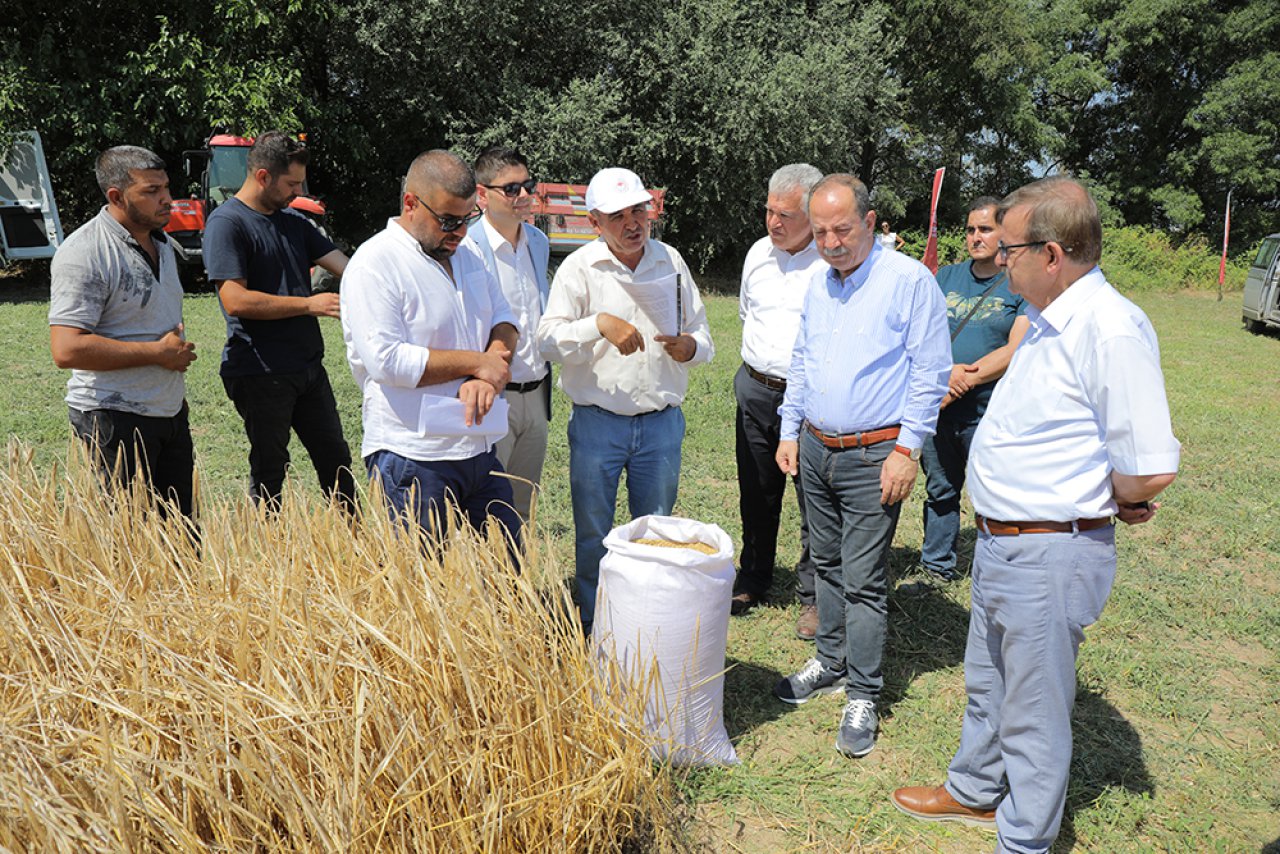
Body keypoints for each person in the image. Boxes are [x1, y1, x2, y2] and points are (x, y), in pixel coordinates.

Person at [891, 177, 1180, 853]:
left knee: (1033, 709)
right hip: (1004, 543)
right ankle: (974, 792)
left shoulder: (1110, 327)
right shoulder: (1051, 320)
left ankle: (1024, 838)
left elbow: (1149, 461)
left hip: (1048, 551)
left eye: (1012, 247)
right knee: (990, 682)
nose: (1002, 261)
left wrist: (1118, 495)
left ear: (1050, 254)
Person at [773, 173, 951, 759]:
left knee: (864, 578)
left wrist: (907, 450)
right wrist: (790, 429)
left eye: (842, 229)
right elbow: (802, 361)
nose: (831, 241)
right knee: (823, 561)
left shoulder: (909, 282)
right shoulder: (821, 286)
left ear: (870, 223)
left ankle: (864, 691)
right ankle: (828, 659)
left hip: (876, 455)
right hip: (817, 448)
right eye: (821, 231)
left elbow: (930, 374)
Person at [537, 167, 714, 631]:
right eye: (618, 216)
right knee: (594, 535)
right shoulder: (580, 268)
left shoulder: (670, 260)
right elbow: (547, 341)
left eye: (639, 210)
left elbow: (702, 334)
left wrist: (690, 347)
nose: (632, 223)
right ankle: (598, 628)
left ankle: (645, 628)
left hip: (660, 424)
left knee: (654, 531)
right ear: (594, 222)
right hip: (599, 423)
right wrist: (598, 324)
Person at [340, 149, 522, 548]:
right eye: (448, 221)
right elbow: (388, 361)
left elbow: (506, 321)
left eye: (468, 218)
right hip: (414, 457)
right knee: (424, 591)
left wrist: (488, 377)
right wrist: (479, 363)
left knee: (509, 572)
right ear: (410, 203)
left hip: (480, 448)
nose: (459, 231)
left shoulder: (470, 253)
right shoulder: (375, 264)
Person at [203, 130, 357, 515]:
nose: (296, 191)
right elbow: (235, 300)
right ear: (262, 176)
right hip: (260, 370)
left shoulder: (294, 222)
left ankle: (359, 549)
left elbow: (347, 269)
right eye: (290, 183)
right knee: (271, 470)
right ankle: (270, 556)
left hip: (307, 367)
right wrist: (308, 305)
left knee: (337, 462)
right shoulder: (227, 224)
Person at [49, 145, 197, 522]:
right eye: (151, 191)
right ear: (116, 196)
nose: (166, 199)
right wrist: (158, 354)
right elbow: (66, 349)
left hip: (168, 412)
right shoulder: (84, 252)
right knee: (129, 547)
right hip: (113, 417)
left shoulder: (164, 242)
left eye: (165, 187)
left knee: (182, 538)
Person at [731, 163, 826, 641]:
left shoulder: (830, 263)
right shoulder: (756, 255)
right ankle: (753, 577)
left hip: (808, 400)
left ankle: (813, 597)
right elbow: (747, 312)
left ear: (812, 215)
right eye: (769, 210)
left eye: (785, 214)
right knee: (757, 491)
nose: (774, 222)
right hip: (754, 388)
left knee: (814, 501)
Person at [915, 196, 1030, 585]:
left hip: (989, 411)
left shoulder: (1018, 282)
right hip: (938, 405)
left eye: (986, 229)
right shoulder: (944, 277)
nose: (976, 237)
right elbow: (920, 333)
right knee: (940, 489)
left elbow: (1017, 349)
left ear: (1004, 234)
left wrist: (963, 380)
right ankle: (936, 567)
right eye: (970, 229)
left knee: (994, 495)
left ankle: (996, 573)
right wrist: (943, 374)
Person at [462, 147, 551, 524]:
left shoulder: (538, 241)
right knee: (485, 507)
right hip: (492, 396)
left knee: (521, 506)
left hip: (537, 392)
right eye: (511, 189)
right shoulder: (466, 248)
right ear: (482, 196)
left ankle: (514, 584)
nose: (525, 195)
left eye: (527, 184)